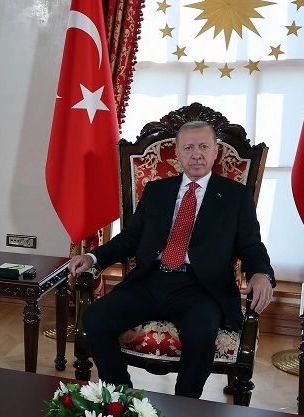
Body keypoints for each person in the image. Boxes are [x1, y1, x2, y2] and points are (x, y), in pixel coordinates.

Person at [69, 120, 275, 399]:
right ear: (177, 153)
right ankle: (121, 397)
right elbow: (130, 238)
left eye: (203, 146)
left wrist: (261, 273)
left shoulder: (236, 196)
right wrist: (93, 257)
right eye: (188, 148)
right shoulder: (157, 190)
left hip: (200, 288)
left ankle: (184, 406)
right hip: (150, 280)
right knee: (95, 317)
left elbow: (251, 245)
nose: (196, 154)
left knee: (201, 331)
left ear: (215, 151)